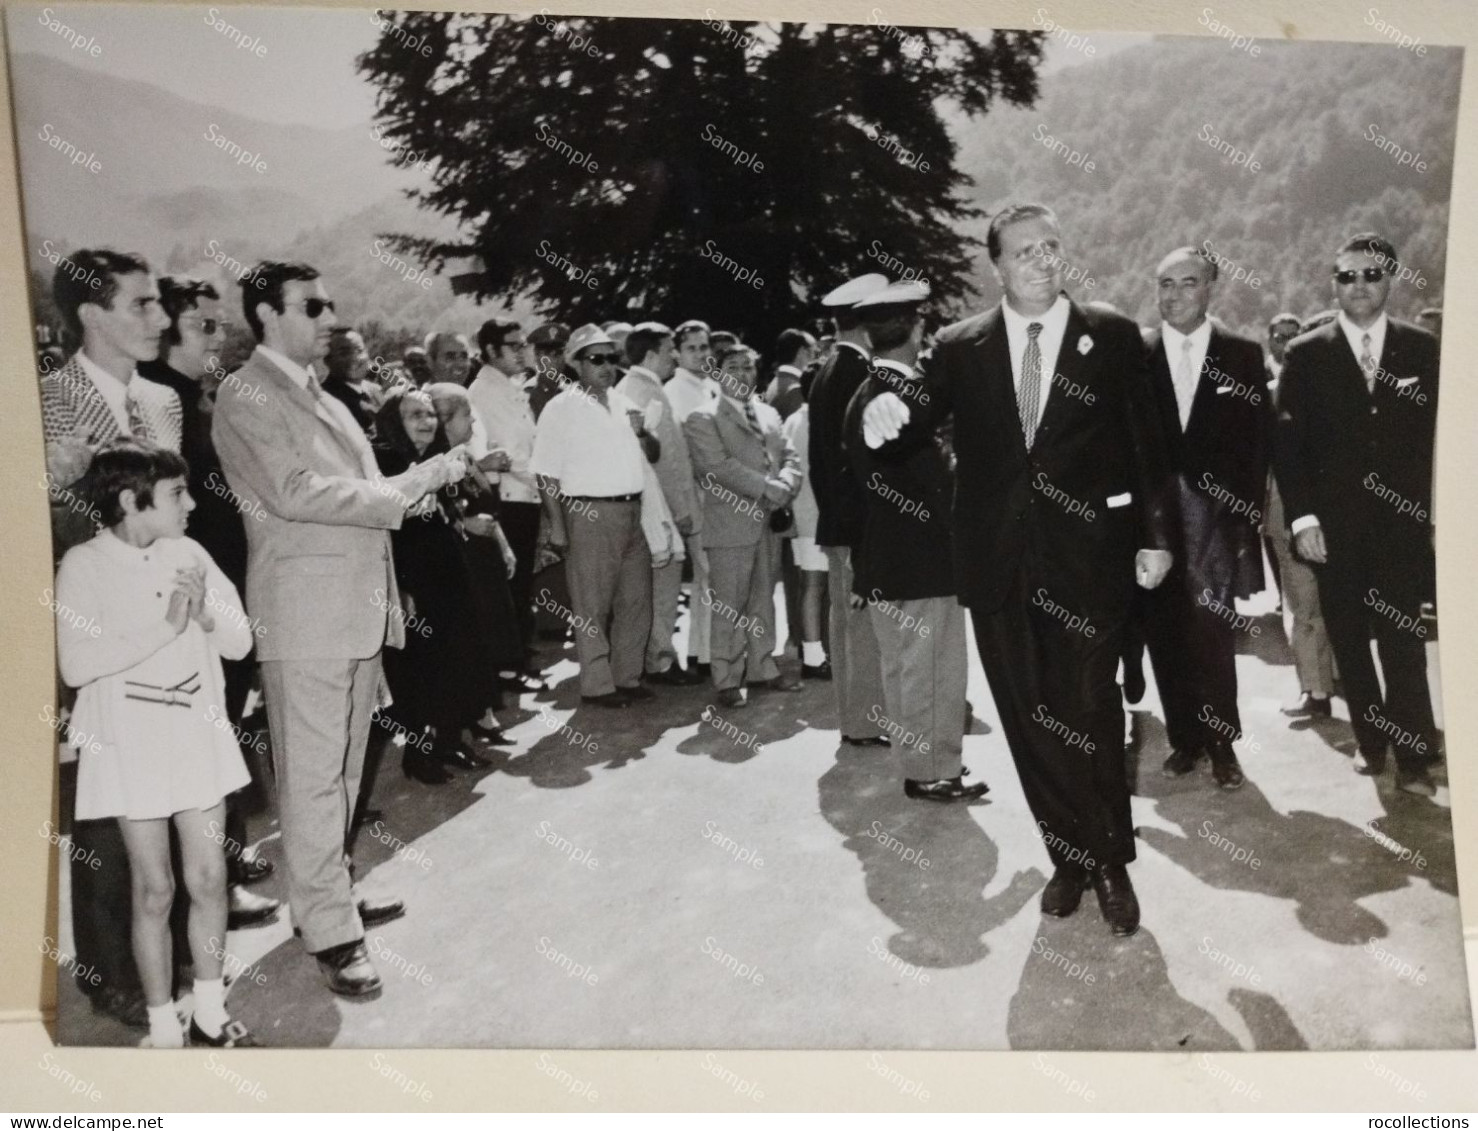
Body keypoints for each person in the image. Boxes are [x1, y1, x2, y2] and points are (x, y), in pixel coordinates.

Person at [861, 203, 1176, 937]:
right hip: (998, 566)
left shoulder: (1112, 333)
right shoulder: (960, 344)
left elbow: (1150, 444)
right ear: (996, 265)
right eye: (1024, 251)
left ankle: (1109, 862)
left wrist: (1155, 535)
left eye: (1051, 247)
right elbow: (914, 405)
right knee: (1029, 720)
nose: (1041, 260)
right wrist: (883, 405)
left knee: (1090, 712)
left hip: (1090, 564)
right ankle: (1066, 856)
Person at [213, 261, 468, 997]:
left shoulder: (316, 392)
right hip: (307, 614)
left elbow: (353, 493)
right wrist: (417, 483)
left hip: (352, 611)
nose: (329, 317)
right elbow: (295, 493)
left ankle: (326, 895)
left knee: (345, 773)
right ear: (267, 315)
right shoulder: (246, 391)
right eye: (313, 305)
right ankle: (328, 928)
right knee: (315, 778)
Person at [55, 440, 258, 1047]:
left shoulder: (188, 551)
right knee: (154, 888)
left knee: (209, 878)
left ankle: (209, 1009)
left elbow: (241, 642)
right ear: (130, 501)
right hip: (129, 744)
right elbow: (76, 665)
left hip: (195, 733)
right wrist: (165, 625)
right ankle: (163, 1021)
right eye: (176, 494)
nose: (192, 503)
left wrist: (202, 618)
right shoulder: (83, 566)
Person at [41, 249, 180, 1029]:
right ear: (93, 315)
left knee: (165, 780)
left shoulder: (163, 402)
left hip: (166, 618)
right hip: (95, 619)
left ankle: (163, 941)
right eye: (142, 304)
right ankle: (108, 969)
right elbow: (49, 523)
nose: (159, 319)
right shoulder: (47, 403)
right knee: (101, 800)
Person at [1274, 233, 1440, 797]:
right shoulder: (1307, 355)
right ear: (1334, 284)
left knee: (1403, 641)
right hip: (1334, 533)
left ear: (1391, 278)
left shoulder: (1423, 349)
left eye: (1371, 274)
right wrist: (1303, 521)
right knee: (1349, 639)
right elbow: (1289, 448)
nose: (1360, 286)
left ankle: (1415, 756)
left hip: (1401, 528)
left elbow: (1443, 440)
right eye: (1347, 276)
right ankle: (1371, 743)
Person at [138, 275, 280, 930]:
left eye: (220, 326)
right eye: (204, 326)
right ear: (165, 330)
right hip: (188, 598)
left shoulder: (194, 396)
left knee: (225, 729)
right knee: (205, 736)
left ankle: (226, 859)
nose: (218, 338)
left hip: (220, 589)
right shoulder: (157, 400)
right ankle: (211, 887)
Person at [845, 281, 985, 801]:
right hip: (923, 561)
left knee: (907, 670)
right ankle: (932, 772)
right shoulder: (896, 397)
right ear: (917, 329)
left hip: (888, 558)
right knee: (932, 672)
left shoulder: (867, 393)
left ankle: (923, 763)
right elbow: (933, 481)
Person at [1141, 246, 1268, 790]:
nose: (1173, 296)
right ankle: (1184, 740)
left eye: (1186, 283)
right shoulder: (1136, 356)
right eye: (1164, 284)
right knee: (1164, 631)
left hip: (1217, 518)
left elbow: (1256, 442)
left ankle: (1222, 745)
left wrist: (1242, 516)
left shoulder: (1241, 355)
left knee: (1213, 633)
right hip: (1154, 521)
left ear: (1211, 286)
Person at [371, 388, 500, 780]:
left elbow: (476, 501)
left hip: (445, 568)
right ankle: (419, 753)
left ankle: (450, 739)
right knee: (417, 668)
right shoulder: (384, 462)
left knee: (457, 656)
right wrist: (400, 587)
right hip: (410, 574)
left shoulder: (437, 459)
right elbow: (384, 529)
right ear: (395, 421)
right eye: (415, 416)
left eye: (430, 414)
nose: (426, 422)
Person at [531, 324, 661, 707]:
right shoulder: (561, 408)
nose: (607, 366)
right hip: (589, 512)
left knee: (637, 601)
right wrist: (557, 524)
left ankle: (628, 676)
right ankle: (598, 684)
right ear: (576, 364)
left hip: (630, 510)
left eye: (611, 358)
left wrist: (644, 434)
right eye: (596, 359)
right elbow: (544, 472)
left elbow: (652, 454)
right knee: (592, 604)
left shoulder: (623, 404)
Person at [684, 343, 803, 707]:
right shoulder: (702, 418)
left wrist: (786, 482)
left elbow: (789, 455)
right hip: (730, 524)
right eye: (732, 367)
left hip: (768, 520)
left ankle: (763, 668)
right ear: (717, 374)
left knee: (763, 599)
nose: (741, 374)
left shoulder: (767, 414)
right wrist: (769, 488)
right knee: (729, 604)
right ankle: (726, 678)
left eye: (748, 367)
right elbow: (717, 467)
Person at [809, 274, 893, 747]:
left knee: (846, 625)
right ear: (865, 323)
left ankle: (855, 716)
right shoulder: (856, 375)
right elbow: (855, 465)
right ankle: (865, 721)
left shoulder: (829, 369)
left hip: (837, 521)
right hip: (855, 523)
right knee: (861, 628)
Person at [616, 321, 707, 685]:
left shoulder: (638, 387)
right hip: (660, 508)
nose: (674, 357)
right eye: (671, 350)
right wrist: (681, 509)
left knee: (653, 586)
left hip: (654, 506)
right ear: (652, 354)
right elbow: (661, 459)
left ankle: (652, 658)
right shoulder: (645, 392)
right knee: (663, 584)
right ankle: (660, 660)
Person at [1262, 312, 1335, 719]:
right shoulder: (1274, 394)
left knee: (1308, 607)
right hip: (1288, 512)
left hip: (1297, 512)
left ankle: (1318, 688)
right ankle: (1318, 686)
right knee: (1308, 605)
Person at [467, 318, 544, 686]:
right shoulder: (485, 391)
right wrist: (550, 480)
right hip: (509, 498)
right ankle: (509, 666)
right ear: (491, 352)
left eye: (523, 344)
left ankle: (517, 659)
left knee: (520, 585)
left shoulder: (509, 386)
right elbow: (509, 455)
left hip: (525, 495)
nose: (522, 352)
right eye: (513, 346)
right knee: (510, 586)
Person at [663, 319, 721, 679]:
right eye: (691, 348)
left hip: (717, 492)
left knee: (710, 578)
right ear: (676, 353)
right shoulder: (674, 391)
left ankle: (705, 652)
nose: (699, 354)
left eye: (704, 347)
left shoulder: (710, 386)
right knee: (708, 574)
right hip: (696, 490)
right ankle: (709, 654)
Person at [780, 391, 830, 680]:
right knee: (815, 588)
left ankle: (810, 650)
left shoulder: (793, 421)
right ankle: (813, 657)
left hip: (800, 518)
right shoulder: (816, 423)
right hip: (815, 518)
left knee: (808, 587)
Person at [321, 328, 384, 436]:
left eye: (359, 350)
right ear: (327, 360)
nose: (354, 358)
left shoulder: (374, 391)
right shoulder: (326, 398)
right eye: (344, 353)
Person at [764, 327, 816, 419]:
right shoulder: (796, 389)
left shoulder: (776, 381)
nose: (814, 358)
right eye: (814, 353)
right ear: (802, 352)